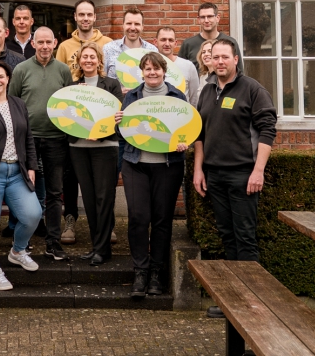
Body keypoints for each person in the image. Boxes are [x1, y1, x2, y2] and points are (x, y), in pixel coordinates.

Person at [194, 36, 277, 317]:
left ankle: (252, 302)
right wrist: (198, 170)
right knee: (227, 237)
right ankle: (233, 302)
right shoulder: (206, 91)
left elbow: (267, 130)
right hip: (214, 176)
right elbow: (200, 135)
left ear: (235, 59)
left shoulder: (252, 89)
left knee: (245, 237)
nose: (219, 61)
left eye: (224, 57)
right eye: (215, 57)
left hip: (243, 174)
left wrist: (258, 171)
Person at [118, 52, 187, 299]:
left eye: (156, 68)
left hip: (168, 165)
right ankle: (140, 270)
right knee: (138, 217)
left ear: (164, 71)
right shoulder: (132, 97)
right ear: (141, 72)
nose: (152, 73)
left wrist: (183, 142)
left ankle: (157, 272)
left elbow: (185, 129)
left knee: (161, 219)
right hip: (136, 164)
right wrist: (119, 123)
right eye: (147, 69)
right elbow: (123, 134)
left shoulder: (177, 96)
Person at [0, 59, 43, 290]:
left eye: (1, 76)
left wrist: (31, 166)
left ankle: (17, 250)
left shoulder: (18, 104)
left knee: (32, 215)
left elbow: (28, 137)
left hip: (17, 171)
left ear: (8, 78)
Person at [10, 26, 74, 261]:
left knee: (55, 193)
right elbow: (13, 103)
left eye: (49, 42)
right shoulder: (21, 69)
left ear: (55, 43)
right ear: (33, 43)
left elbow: (69, 103)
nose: (45, 46)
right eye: (41, 42)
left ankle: (53, 242)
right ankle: (23, 243)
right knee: (24, 190)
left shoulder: (64, 70)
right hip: (28, 140)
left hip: (56, 139)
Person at [66, 42, 123, 266]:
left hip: (105, 148)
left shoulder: (111, 85)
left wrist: (99, 134)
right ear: (79, 61)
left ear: (99, 61)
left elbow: (118, 118)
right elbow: (67, 116)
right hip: (78, 148)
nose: (88, 60)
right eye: (84, 57)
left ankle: (102, 248)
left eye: (92, 57)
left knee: (104, 197)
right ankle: (96, 247)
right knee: (89, 199)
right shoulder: (71, 87)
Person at [57, 0, 113, 72]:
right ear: (75, 16)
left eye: (89, 15)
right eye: (81, 14)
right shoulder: (64, 47)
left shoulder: (108, 43)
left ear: (94, 17)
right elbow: (59, 75)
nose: (86, 18)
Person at [155, 25, 203, 107]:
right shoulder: (149, 68)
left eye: (170, 40)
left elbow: (194, 98)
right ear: (155, 42)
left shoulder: (188, 66)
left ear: (175, 43)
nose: (167, 43)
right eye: (163, 40)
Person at [104, 6, 150, 89]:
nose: (132, 28)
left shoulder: (152, 50)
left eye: (137, 24)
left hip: (143, 101)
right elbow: (101, 80)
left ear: (142, 27)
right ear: (123, 25)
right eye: (129, 23)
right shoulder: (108, 49)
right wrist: (118, 91)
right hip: (116, 100)